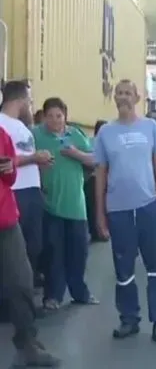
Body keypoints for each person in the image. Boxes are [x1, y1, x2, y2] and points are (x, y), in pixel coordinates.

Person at [93, 79, 156, 342]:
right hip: (119, 211)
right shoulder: (105, 133)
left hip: (149, 208)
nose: (123, 97)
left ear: (138, 98)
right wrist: (100, 213)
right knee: (123, 270)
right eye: (119, 93)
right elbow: (101, 173)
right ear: (114, 98)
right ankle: (129, 319)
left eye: (128, 93)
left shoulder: (150, 127)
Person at [0, 124, 62, 367]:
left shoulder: (2, 134)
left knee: (22, 280)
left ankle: (28, 345)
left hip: (5, 218)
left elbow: (10, 175)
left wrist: (9, 167)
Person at [33, 98, 99, 311]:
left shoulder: (75, 135)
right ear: (44, 117)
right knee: (54, 253)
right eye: (50, 116)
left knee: (79, 253)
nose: (54, 120)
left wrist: (74, 154)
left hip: (76, 206)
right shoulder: (35, 135)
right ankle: (53, 296)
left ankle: (80, 293)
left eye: (58, 116)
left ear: (65, 116)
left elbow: (94, 160)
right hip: (50, 205)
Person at [0, 81, 53, 287]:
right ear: (20, 100)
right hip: (14, 193)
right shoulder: (2, 124)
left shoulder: (22, 126)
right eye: (29, 101)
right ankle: (11, 303)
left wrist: (38, 164)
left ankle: (25, 299)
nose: (31, 105)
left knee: (34, 247)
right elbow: (5, 163)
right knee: (15, 252)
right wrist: (34, 158)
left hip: (31, 193)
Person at [84, 120, 109, 242]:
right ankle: (101, 231)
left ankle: (94, 231)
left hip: (89, 179)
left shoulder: (89, 141)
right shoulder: (103, 142)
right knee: (101, 205)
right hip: (98, 177)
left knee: (91, 206)